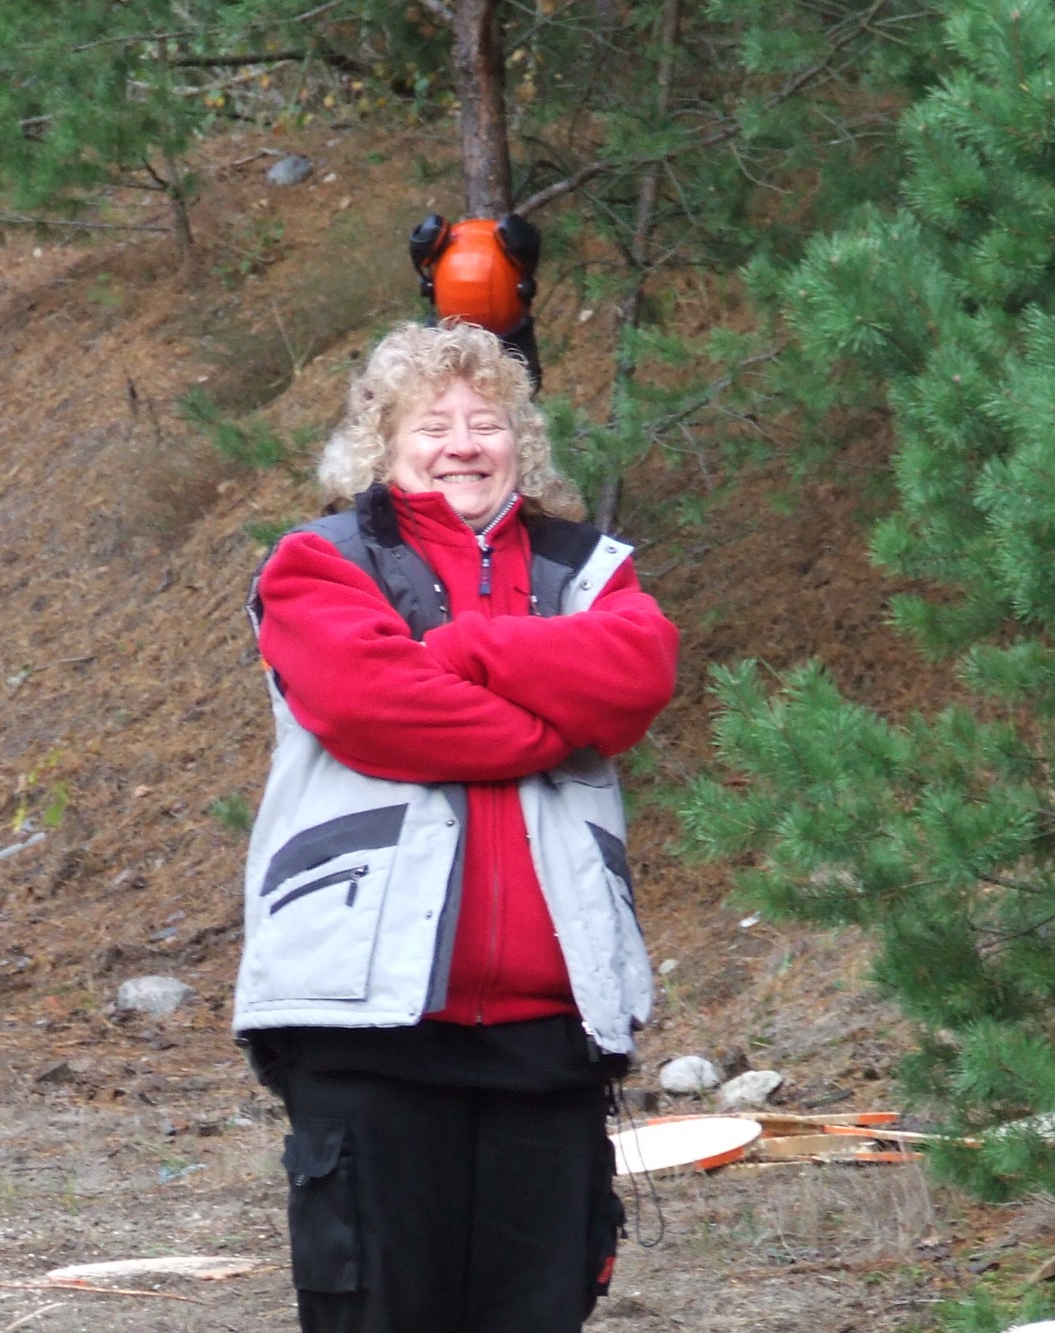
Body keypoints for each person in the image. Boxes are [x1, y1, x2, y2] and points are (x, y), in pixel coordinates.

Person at [234, 321, 679, 1333]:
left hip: (549, 1035)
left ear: (521, 442)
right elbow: (371, 705)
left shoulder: (591, 569)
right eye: (431, 426)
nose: (463, 445)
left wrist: (463, 648)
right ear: (381, 447)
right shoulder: (318, 561)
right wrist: (550, 720)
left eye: (488, 422)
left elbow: (638, 669)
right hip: (367, 1029)